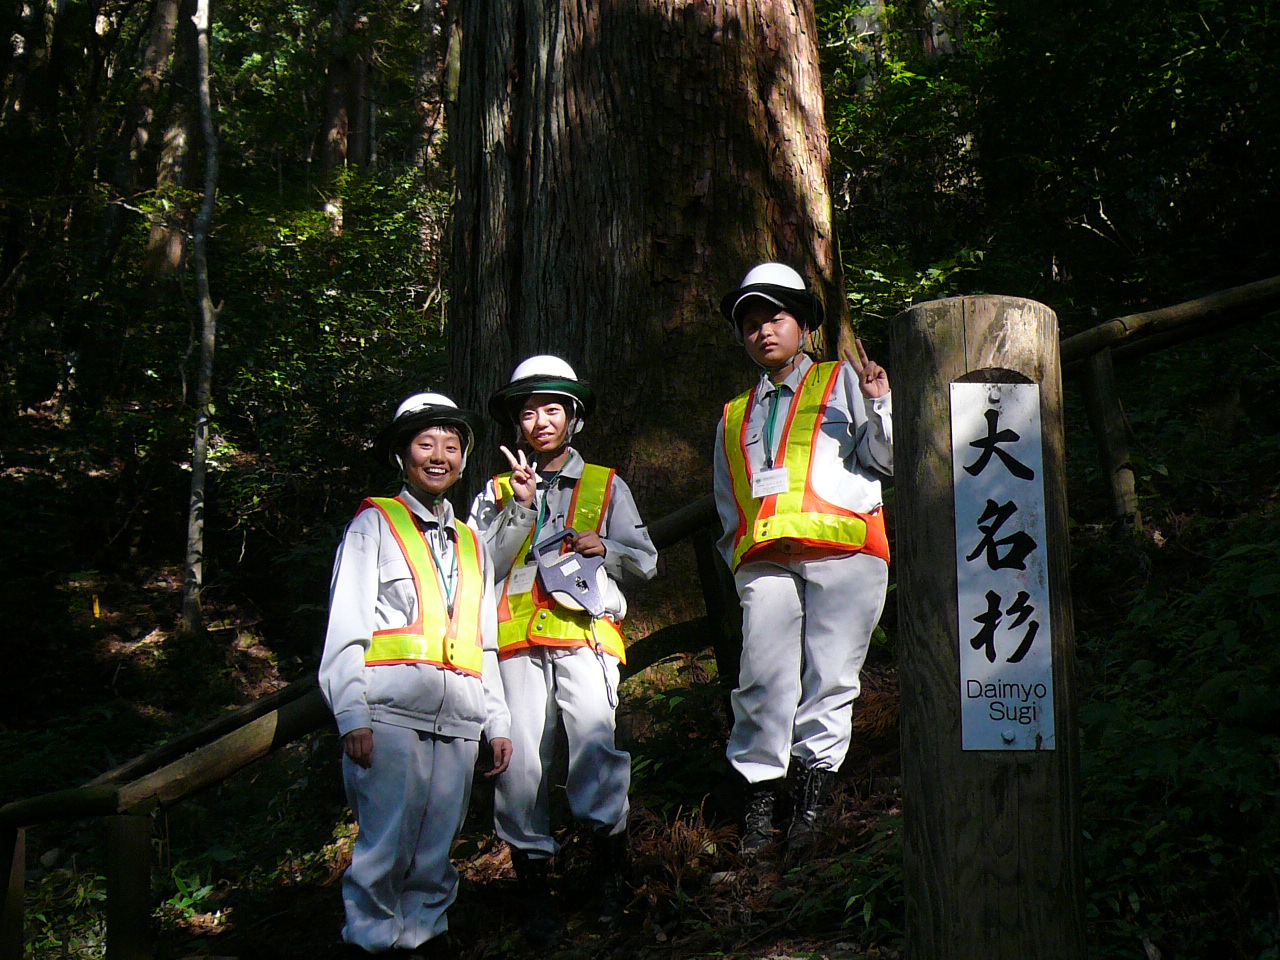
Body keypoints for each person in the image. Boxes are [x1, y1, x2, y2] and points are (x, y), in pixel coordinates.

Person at [468, 355, 658, 944]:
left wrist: (608, 549)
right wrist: (518, 510)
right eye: (528, 411)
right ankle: (534, 894)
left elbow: (646, 562)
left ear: (573, 418)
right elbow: (472, 570)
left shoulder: (606, 484)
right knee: (519, 765)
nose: (540, 421)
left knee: (596, 753)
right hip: (514, 644)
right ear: (515, 424)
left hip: (585, 637)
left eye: (552, 409)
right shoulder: (494, 493)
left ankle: (609, 880)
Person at [319, 392, 513, 957]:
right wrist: (351, 714)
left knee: (435, 853)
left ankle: (425, 942)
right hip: (389, 715)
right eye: (425, 443)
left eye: (451, 446)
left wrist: (495, 722)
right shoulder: (374, 524)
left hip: (458, 719)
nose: (439, 456)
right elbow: (346, 627)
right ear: (401, 454)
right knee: (383, 852)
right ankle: (371, 945)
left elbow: (486, 643)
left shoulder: (474, 542)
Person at [713, 262, 893, 859]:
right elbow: (727, 500)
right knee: (761, 679)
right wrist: (737, 561)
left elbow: (887, 459)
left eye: (776, 318)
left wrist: (881, 404)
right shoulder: (733, 414)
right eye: (751, 324)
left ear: (804, 325)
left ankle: (811, 806)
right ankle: (760, 806)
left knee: (830, 678)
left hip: (845, 551)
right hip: (766, 560)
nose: (763, 331)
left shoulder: (844, 380)